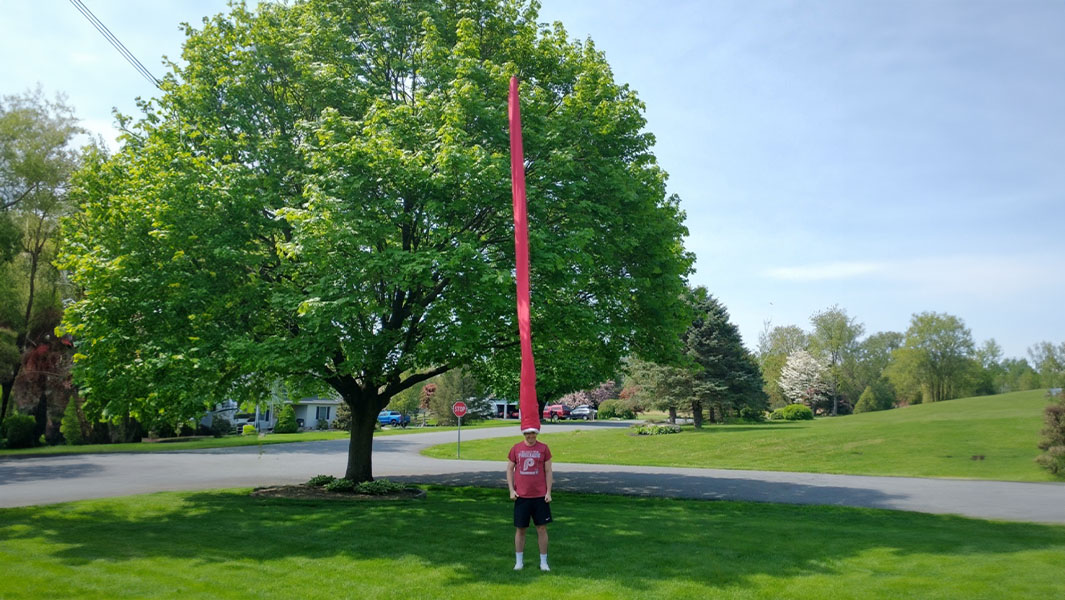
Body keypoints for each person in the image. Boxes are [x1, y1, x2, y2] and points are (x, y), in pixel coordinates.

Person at [506, 427, 553, 571]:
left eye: (532, 433)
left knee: (542, 528)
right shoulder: (516, 448)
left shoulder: (544, 448)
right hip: (522, 497)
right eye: (527, 433)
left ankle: (543, 562)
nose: (530, 436)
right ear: (524, 434)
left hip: (540, 496)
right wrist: (511, 490)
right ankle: (519, 562)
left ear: (536, 434)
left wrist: (548, 492)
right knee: (520, 529)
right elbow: (509, 469)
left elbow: (548, 471)